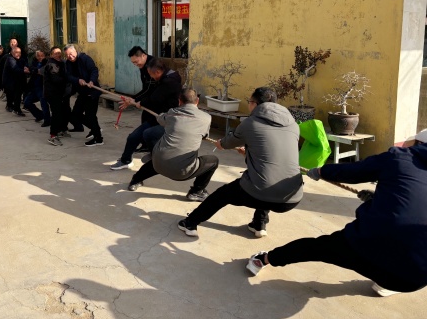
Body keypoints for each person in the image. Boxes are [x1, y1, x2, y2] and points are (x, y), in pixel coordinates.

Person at [246, 129, 427, 298]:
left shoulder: (400, 157)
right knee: (403, 252)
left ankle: (263, 259)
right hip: (414, 279)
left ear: (418, 143)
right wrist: (378, 199)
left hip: (366, 246)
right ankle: (387, 283)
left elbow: (354, 171)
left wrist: (321, 171)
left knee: (315, 248)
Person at [178, 86, 303, 238]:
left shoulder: (250, 123)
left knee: (223, 194)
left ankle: (190, 223)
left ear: (255, 104)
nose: (249, 105)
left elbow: (226, 143)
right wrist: (250, 152)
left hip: (263, 190)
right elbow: (272, 155)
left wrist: (220, 143)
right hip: (292, 196)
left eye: (249, 102)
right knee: (267, 176)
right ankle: (259, 224)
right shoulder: (293, 125)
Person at [127, 88, 219, 200]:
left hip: (158, 164)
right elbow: (204, 135)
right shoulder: (206, 118)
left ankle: (135, 180)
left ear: (179, 101)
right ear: (197, 100)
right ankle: (196, 191)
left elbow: (161, 120)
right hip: (182, 172)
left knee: (161, 155)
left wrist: (164, 116)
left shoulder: (171, 113)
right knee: (213, 161)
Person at [110, 57, 181, 170]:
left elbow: (155, 98)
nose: (151, 77)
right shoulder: (164, 77)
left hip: (167, 118)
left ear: (157, 72)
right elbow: (150, 92)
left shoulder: (170, 81)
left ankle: (157, 160)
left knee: (148, 135)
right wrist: (134, 99)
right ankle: (126, 160)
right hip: (157, 115)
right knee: (134, 137)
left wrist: (140, 103)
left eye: (151, 74)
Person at [64, 44, 103, 147]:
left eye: (71, 54)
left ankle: (98, 138)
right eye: (67, 55)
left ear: (75, 51)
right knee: (76, 114)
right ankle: (95, 129)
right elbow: (68, 76)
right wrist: (78, 80)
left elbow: (94, 70)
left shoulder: (85, 58)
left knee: (90, 115)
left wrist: (91, 81)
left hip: (92, 92)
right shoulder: (68, 63)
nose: (69, 56)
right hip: (82, 92)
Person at [116, 46, 156, 146]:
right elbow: (145, 87)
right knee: (145, 118)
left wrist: (133, 99)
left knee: (151, 121)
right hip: (150, 95)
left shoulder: (153, 65)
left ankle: (150, 144)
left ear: (143, 56)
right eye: (133, 63)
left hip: (158, 97)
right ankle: (145, 144)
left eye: (136, 62)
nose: (135, 64)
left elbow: (149, 88)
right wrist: (134, 99)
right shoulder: (143, 65)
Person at [43, 46, 71, 146]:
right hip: (52, 93)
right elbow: (56, 79)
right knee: (57, 113)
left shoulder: (62, 62)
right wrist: (69, 79)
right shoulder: (51, 64)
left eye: (59, 52)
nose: (58, 55)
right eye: (55, 53)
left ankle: (62, 129)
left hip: (61, 93)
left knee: (66, 111)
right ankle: (53, 135)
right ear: (51, 55)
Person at [23, 50, 50, 127]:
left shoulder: (47, 62)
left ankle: (47, 120)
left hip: (42, 87)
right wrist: (33, 70)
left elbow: (42, 71)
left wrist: (34, 70)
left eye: (42, 56)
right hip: (34, 87)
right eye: (38, 56)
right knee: (27, 102)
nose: (40, 57)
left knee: (43, 103)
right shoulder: (34, 62)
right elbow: (31, 69)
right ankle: (39, 115)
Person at [2, 46, 28, 116]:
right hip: (9, 82)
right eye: (16, 52)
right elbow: (15, 69)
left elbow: (25, 64)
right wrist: (24, 71)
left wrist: (26, 67)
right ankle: (11, 107)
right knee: (11, 96)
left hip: (17, 81)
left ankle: (16, 109)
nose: (18, 54)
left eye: (19, 52)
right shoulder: (10, 59)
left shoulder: (21, 59)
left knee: (17, 95)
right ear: (12, 53)